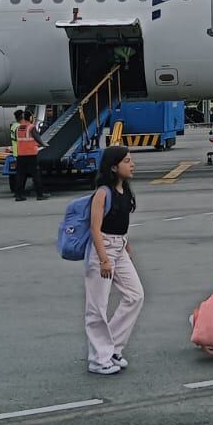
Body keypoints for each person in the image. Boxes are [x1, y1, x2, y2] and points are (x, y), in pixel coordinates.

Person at [84, 146, 143, 375]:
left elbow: (121, 222)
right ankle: (98, 359)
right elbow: (94, 228)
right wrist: (104, 259)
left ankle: (113, 347)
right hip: (104, 249)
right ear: (113, 166)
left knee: (135, 295)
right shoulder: (103, 192)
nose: (132, 165)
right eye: (127, 161)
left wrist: (126, 245)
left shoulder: (125, 190)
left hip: (119, 245)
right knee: (97, 306)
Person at [11, 109, 47, 201]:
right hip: (31, 154)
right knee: (36, 174)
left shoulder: (18, 128)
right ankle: (40, 195)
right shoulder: (31, 127)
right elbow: (37, 138)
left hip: (21, 155)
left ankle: (18, 195)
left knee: (20, 175)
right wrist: (43, 144)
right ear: (30, 118)